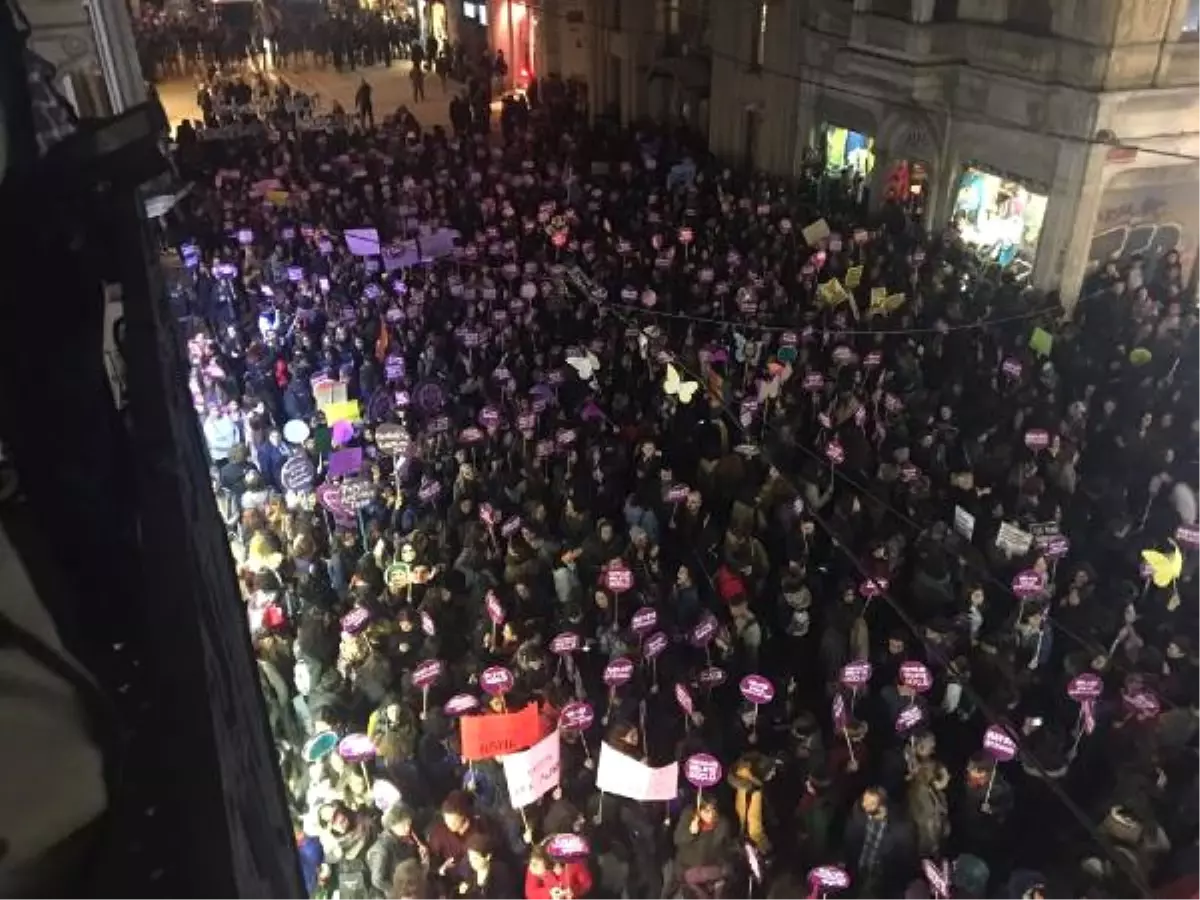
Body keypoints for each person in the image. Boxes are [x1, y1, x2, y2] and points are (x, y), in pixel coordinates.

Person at [843, 787, 914, 896]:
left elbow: (904, 861)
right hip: (857, 875)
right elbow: (849, 845)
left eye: (870, 803)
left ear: (881, 806)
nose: (864, 805)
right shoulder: (858, 816)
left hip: (881, 882)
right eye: (864, 800)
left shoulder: (900, 828)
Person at [671, 799, 734, 900]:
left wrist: (724, 865)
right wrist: (690, 833)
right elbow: (677, 841)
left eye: (713, 809)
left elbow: (727, 848)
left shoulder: (722, 824)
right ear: (698, 812)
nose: (711, 814)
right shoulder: (688, 821)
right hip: (691, 869)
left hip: (714, 869)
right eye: (706, 811)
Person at [524, 844, 592, 900]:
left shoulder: (573, 863)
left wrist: (574, 890)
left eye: (535, 864)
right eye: (532, 863)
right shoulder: (535, 862)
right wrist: (549, 893)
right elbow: (530, 893)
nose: (531, 867)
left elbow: (586, 883)